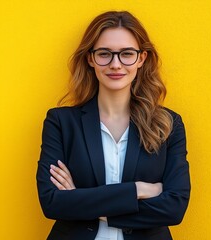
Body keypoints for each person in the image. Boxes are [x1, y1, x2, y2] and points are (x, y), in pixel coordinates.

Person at [36, 11, 190, 240]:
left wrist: (82, 201)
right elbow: (52, 203)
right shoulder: (61, 122)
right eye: (104, 54)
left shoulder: (168, 125)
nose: (115, 64)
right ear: (90, 59)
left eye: (126, 54)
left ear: (141, 58)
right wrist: (139, 190)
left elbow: (174, 207)